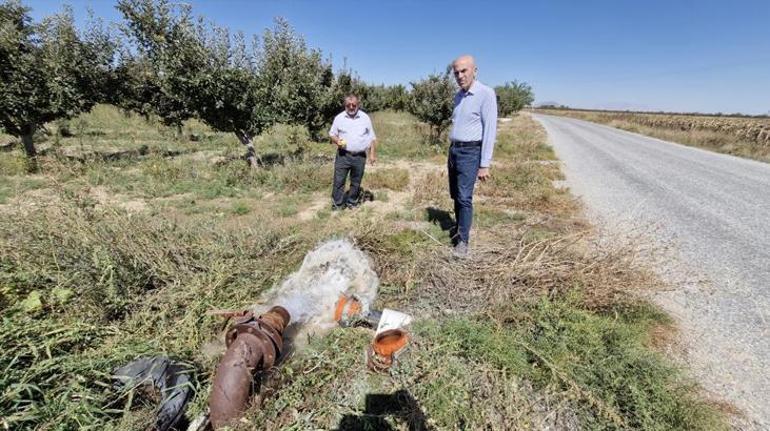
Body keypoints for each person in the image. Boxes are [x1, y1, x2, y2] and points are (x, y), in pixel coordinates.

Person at [447, 55, 498, 258]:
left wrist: (484, 163)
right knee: (455, 195)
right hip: (454, 151)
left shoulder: (486, 94)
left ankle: (463, 241)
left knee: (464, 197)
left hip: (470, 152)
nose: (460, 76)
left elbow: (490, 130)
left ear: (474, 71)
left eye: (464, 71)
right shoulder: (458, 96)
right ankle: (460, 228)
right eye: (456, 72)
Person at [329, 94, 377, 210]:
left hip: (360, 156)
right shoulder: (339, 118)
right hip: (343, 155)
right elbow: (332, 134)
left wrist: (372, 154)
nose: (351, 107)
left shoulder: (365, 118)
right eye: (348, 105)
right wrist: (337, 141)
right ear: (345, 105)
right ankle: (337, 205)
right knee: (339, 181)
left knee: (356, 182)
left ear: (358, 105)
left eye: (353, 105)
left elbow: (372, 137)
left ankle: (352, 202)